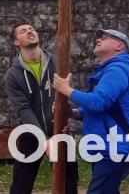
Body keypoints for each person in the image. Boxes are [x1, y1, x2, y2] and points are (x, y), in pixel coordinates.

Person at [54, 29, 129, 194]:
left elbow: (98, 102)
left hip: (116, 146)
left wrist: (67, 90)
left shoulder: (117, 70)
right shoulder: (112, 70)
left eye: (105, 37)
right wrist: (73, 112)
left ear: (119, 45)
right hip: (111, 145)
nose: (98, 39)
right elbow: (105, 109)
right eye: (98, 36)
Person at [5, 20, 77, 194]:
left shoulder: (58, 62)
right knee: (21, 185)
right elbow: (23, 110)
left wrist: (65, 115)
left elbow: (67, 94)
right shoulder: (13, 75)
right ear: (16, 42)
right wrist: (44, 140)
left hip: (60, 130)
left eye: (31, 28)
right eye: (23, 31)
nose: (30, 31)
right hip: (31, 132)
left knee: (69, 184)